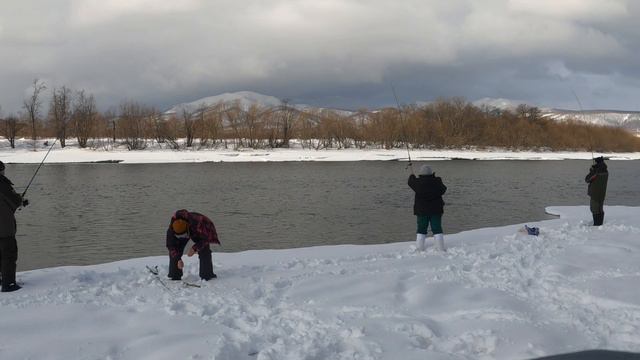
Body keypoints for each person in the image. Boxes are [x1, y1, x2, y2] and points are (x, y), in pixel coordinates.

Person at [166, 209, 220, 281]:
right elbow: (171, 246)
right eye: (179, 236)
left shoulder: (200, 222)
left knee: (204, 249)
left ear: (187, 228)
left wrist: (195, 248)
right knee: (175, 249)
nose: (182, 238)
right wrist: (178, 259)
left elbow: (206, 239)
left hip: (201, 232)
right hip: (186, 230)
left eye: (183, 235)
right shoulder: (171, 230)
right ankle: (175, 275)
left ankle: (207, 275)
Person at [0, 160, 29, 292]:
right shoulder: (3, 184)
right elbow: (14, 200)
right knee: (9, 255)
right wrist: (22, 201)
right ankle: (9, 284)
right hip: (4, 229)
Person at [408, 164, 447, 251]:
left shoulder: (417, 182)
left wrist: (411, 175)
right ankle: (440, 248)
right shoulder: (437, 181)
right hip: (436, 210)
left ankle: (419, 247)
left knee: (421, 228)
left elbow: (410, 182)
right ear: (431, 173)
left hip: (421, 211)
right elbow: (444, 189)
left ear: (421, 173)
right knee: (437, 228)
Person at [585, 156, 608, 226]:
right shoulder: (605, 170)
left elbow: (587, 179)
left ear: (597, 163)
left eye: (595, 162)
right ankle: (600, 224)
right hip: (602, 193)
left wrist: (592, 170)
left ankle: (597, 225)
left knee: (594, 209)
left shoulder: (596, 171)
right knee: (600, 209)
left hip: (595, 193)